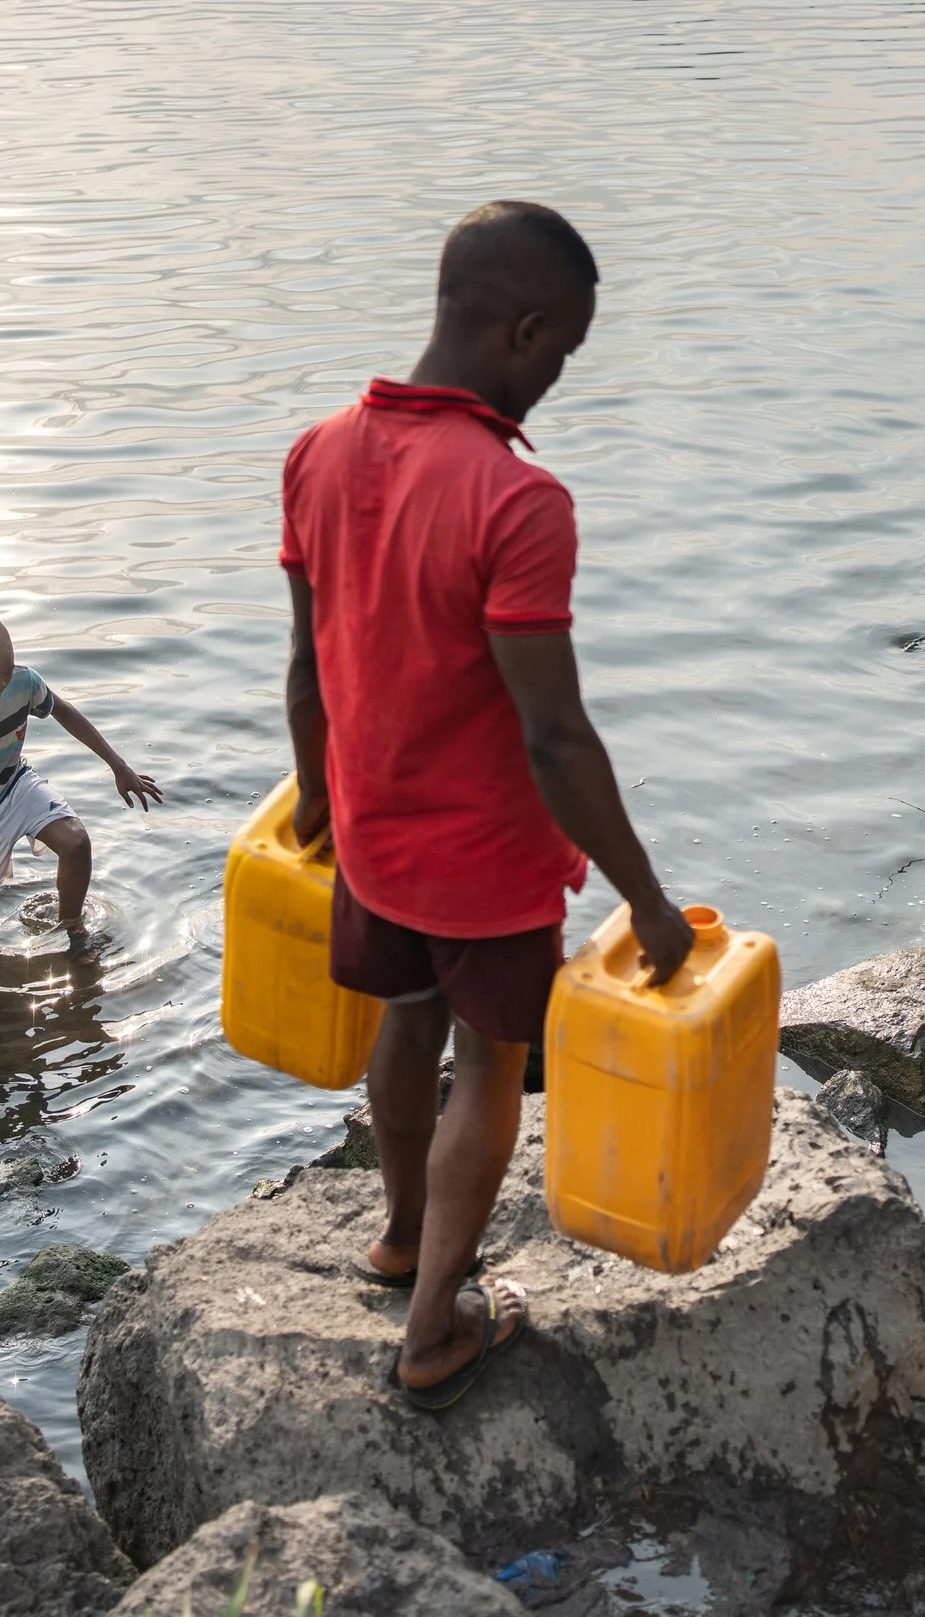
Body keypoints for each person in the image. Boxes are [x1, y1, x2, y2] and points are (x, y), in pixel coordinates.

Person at [280, 200, 695, 1411]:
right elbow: (555, 737)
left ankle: (400, 1233)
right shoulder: (518, 501)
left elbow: (307, 667)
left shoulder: (315, 452)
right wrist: (648, 900)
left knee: (402, 1026)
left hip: (371, 836)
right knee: (486, 1065)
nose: (557, 377)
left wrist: (317, 791)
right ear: (525, 330)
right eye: (561, 352)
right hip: (486, 863)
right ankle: (435, 1325)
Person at [0, 614, 162, 950]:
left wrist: (118, 766)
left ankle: (74, 935)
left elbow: (64, 712)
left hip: (15, 786)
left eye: (5, 673)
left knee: (76, 843)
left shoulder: (24, 683)